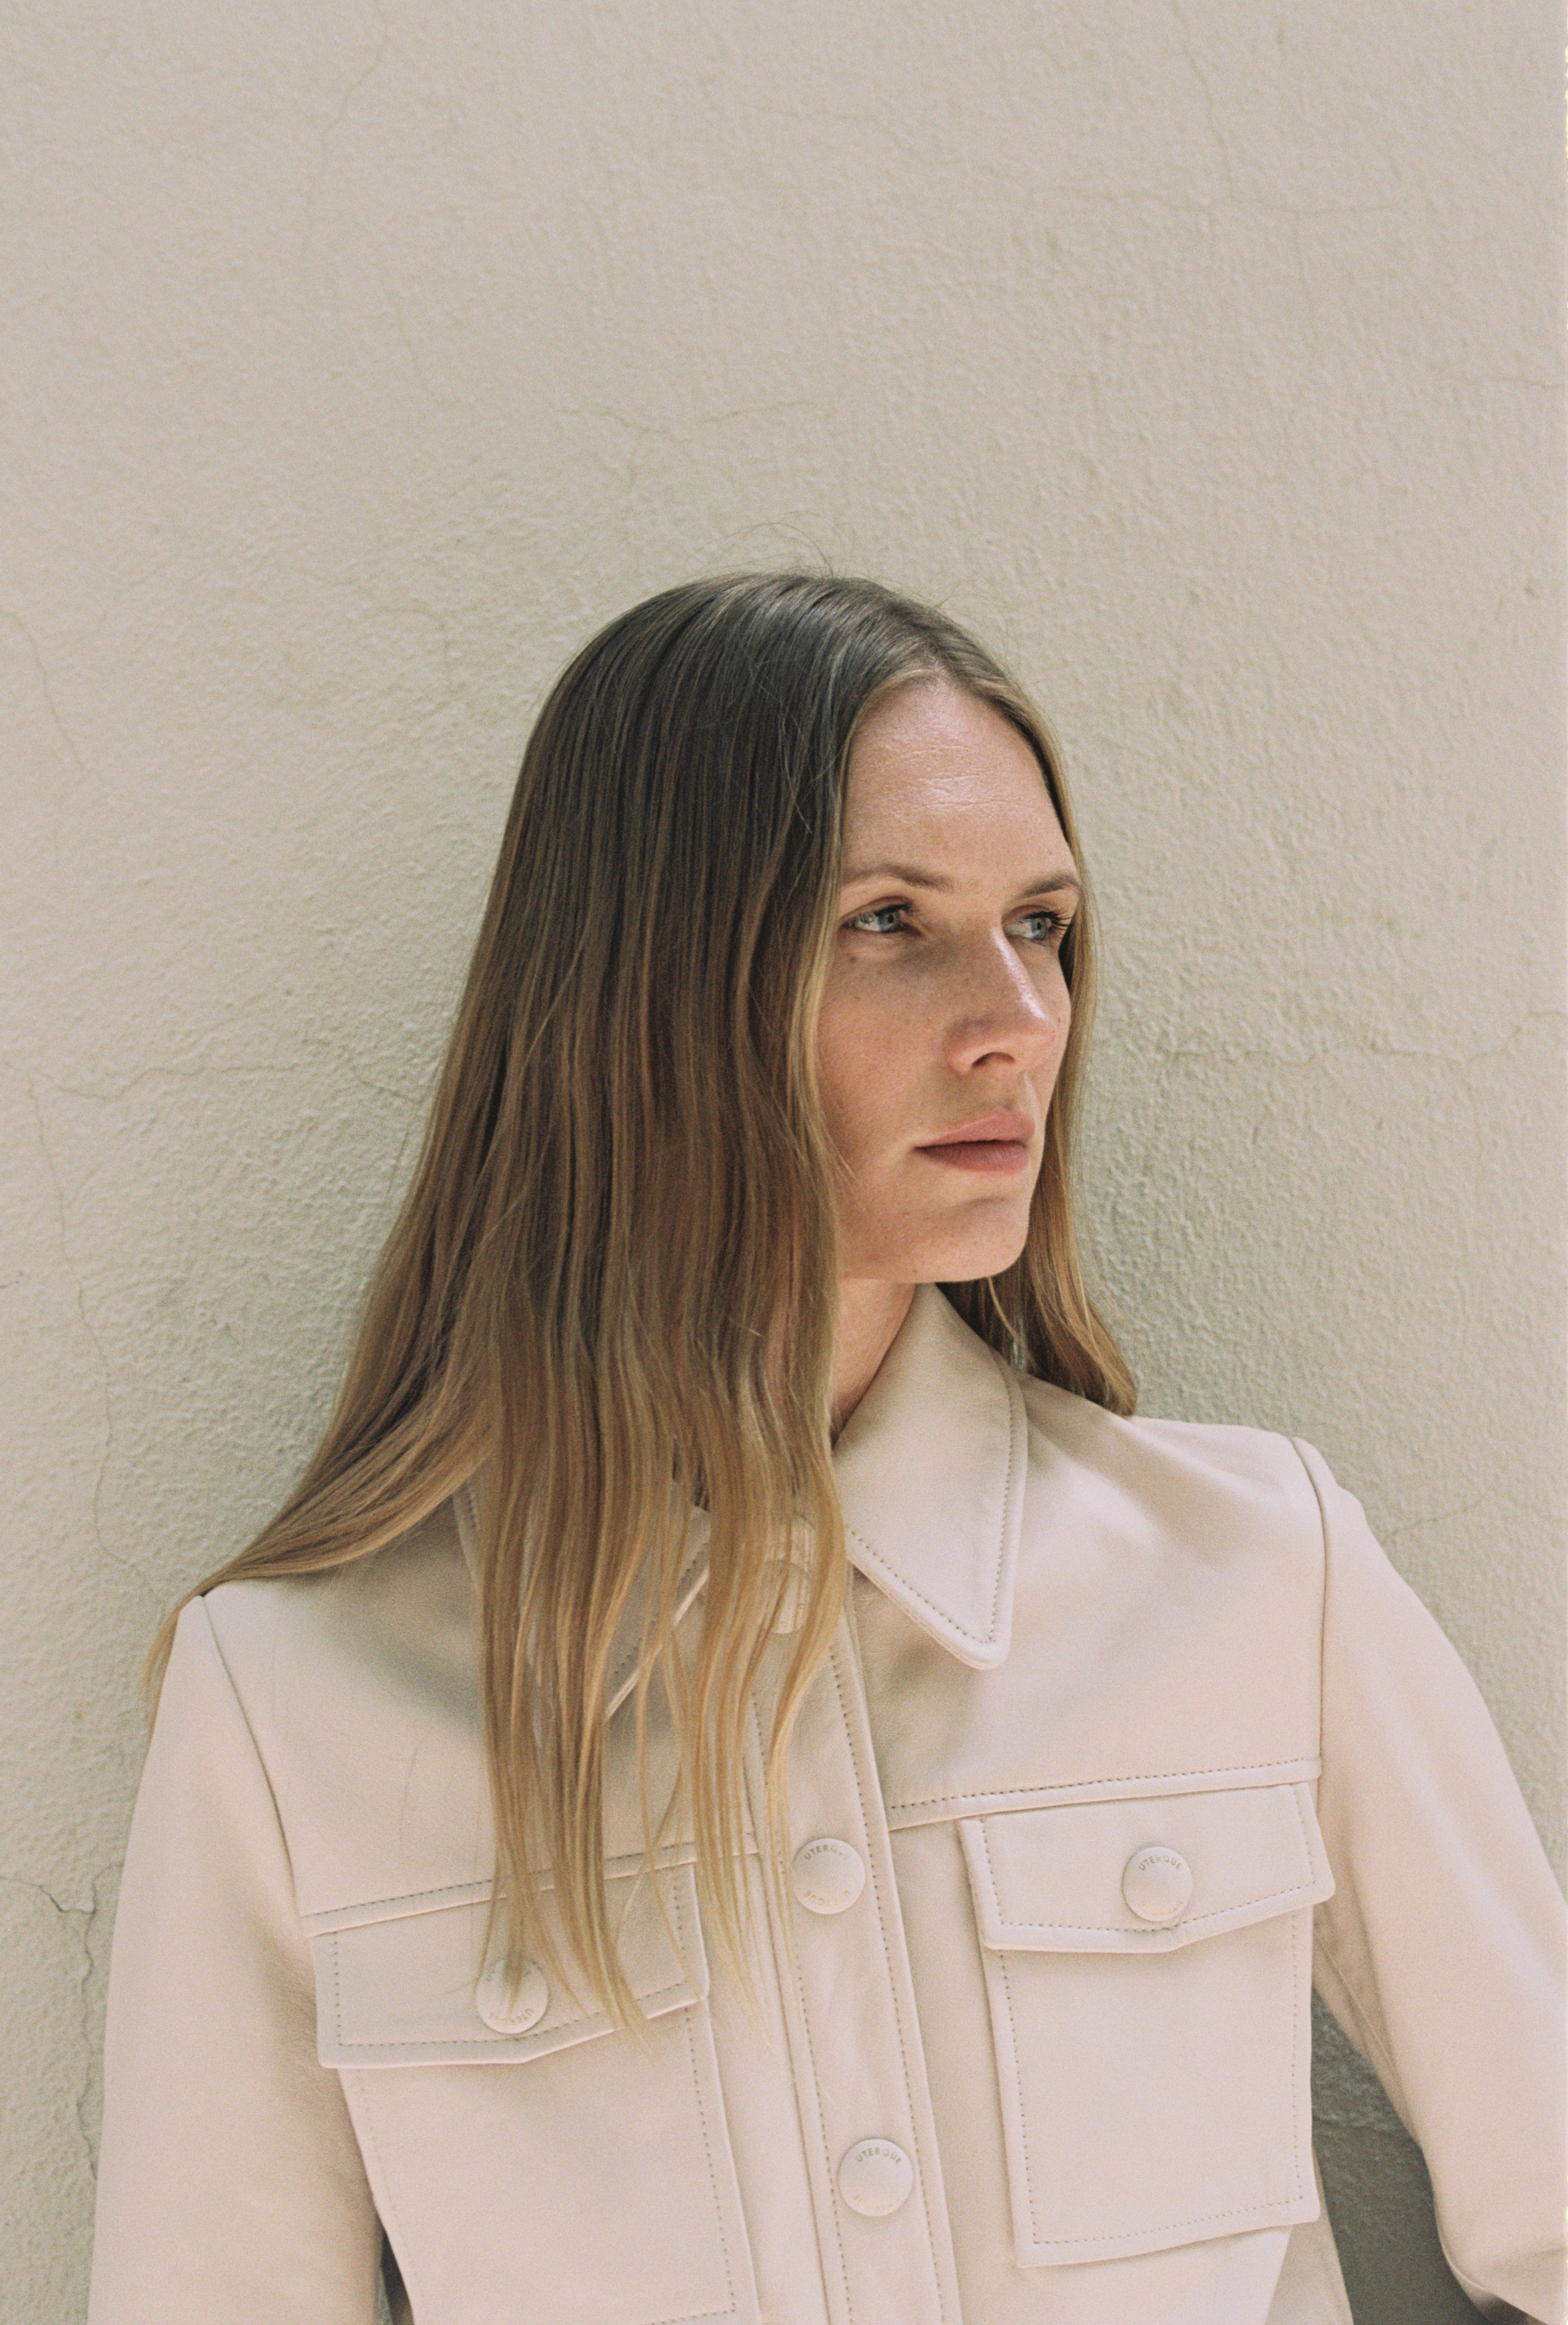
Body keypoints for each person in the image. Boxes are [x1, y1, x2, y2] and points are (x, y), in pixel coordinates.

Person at [87, 574, 1564, 2325]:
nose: (1015, 1015)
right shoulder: (291, 1708)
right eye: (888, 921)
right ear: (651, 991)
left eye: (1040, 925)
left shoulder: (1261, 1572)